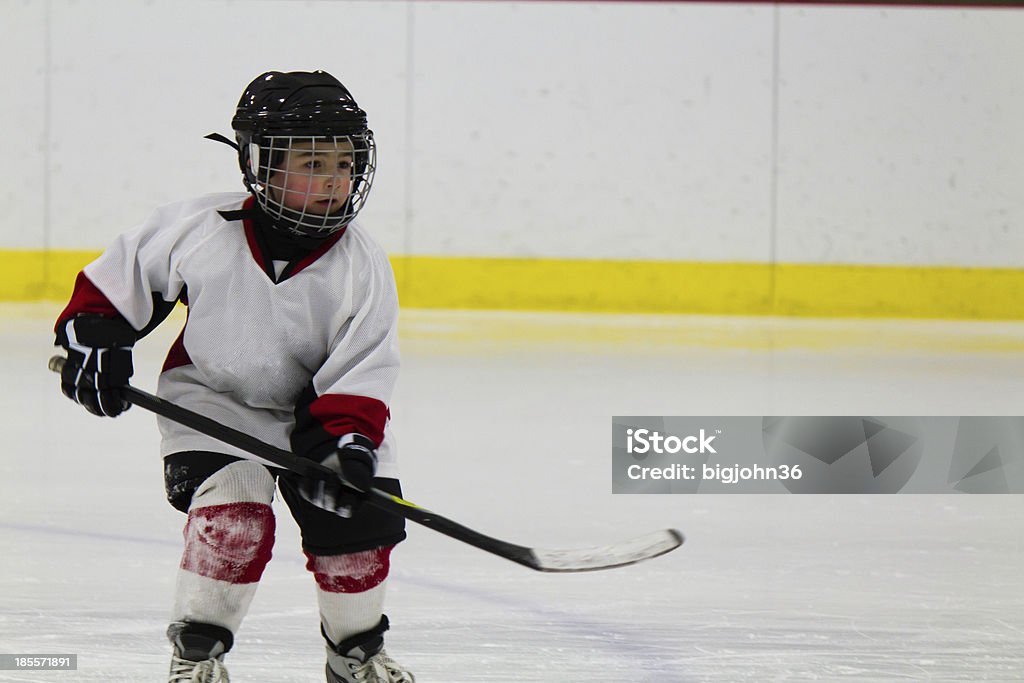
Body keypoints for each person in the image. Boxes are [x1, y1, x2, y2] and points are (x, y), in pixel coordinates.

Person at [53, 70, 415, 683]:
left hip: (321, 416)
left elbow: (361, 369)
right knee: (235, 509)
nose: (334, 181)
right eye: (309, 161)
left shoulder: (362, 264)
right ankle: (197, 654)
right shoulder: (197, 228)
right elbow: (115, 289)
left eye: (346, 163)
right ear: (258, 164)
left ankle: (354, 652)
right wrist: (94, 338)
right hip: (213, 405)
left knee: (358, 526)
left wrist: (345, 446)